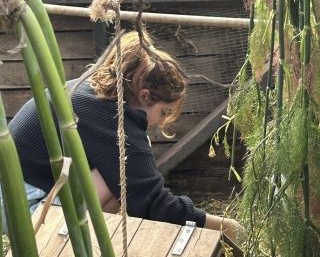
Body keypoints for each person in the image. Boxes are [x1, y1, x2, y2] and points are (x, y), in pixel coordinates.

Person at [3, 30, 244, 243]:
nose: (160, 122)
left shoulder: (90, 89)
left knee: (120, 186)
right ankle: (59, 249)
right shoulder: (115, 121)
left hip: (16, 192)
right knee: (122, 182)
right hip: (22, 210)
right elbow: (156, 204)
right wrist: (225, 226)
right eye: (163, 112)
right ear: (145, 95)